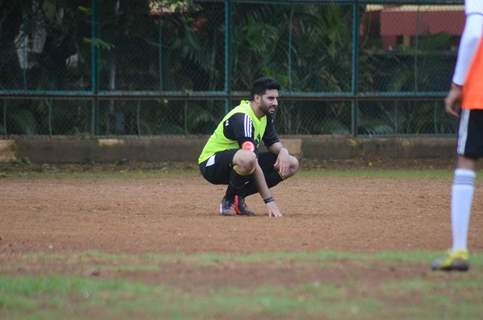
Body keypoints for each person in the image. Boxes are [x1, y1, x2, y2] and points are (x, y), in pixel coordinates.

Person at [198, 76, 299, 217]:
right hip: (211, 164)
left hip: (241, 163)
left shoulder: (265, 116)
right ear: (257, 98)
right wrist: (269, 200)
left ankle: (237, 197)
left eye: (276, 98)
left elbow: (272, 143)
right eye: (270, 98)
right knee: (249, 158)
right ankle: (228, 201)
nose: (275, 103)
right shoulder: (243, 117)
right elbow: (252, 160)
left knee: (292, 163)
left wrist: (283, 151)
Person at [432, 0, 483, 271]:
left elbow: (475, 32)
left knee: (467, 162)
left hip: (480, 94)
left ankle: (459, 250)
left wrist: (457, 85)